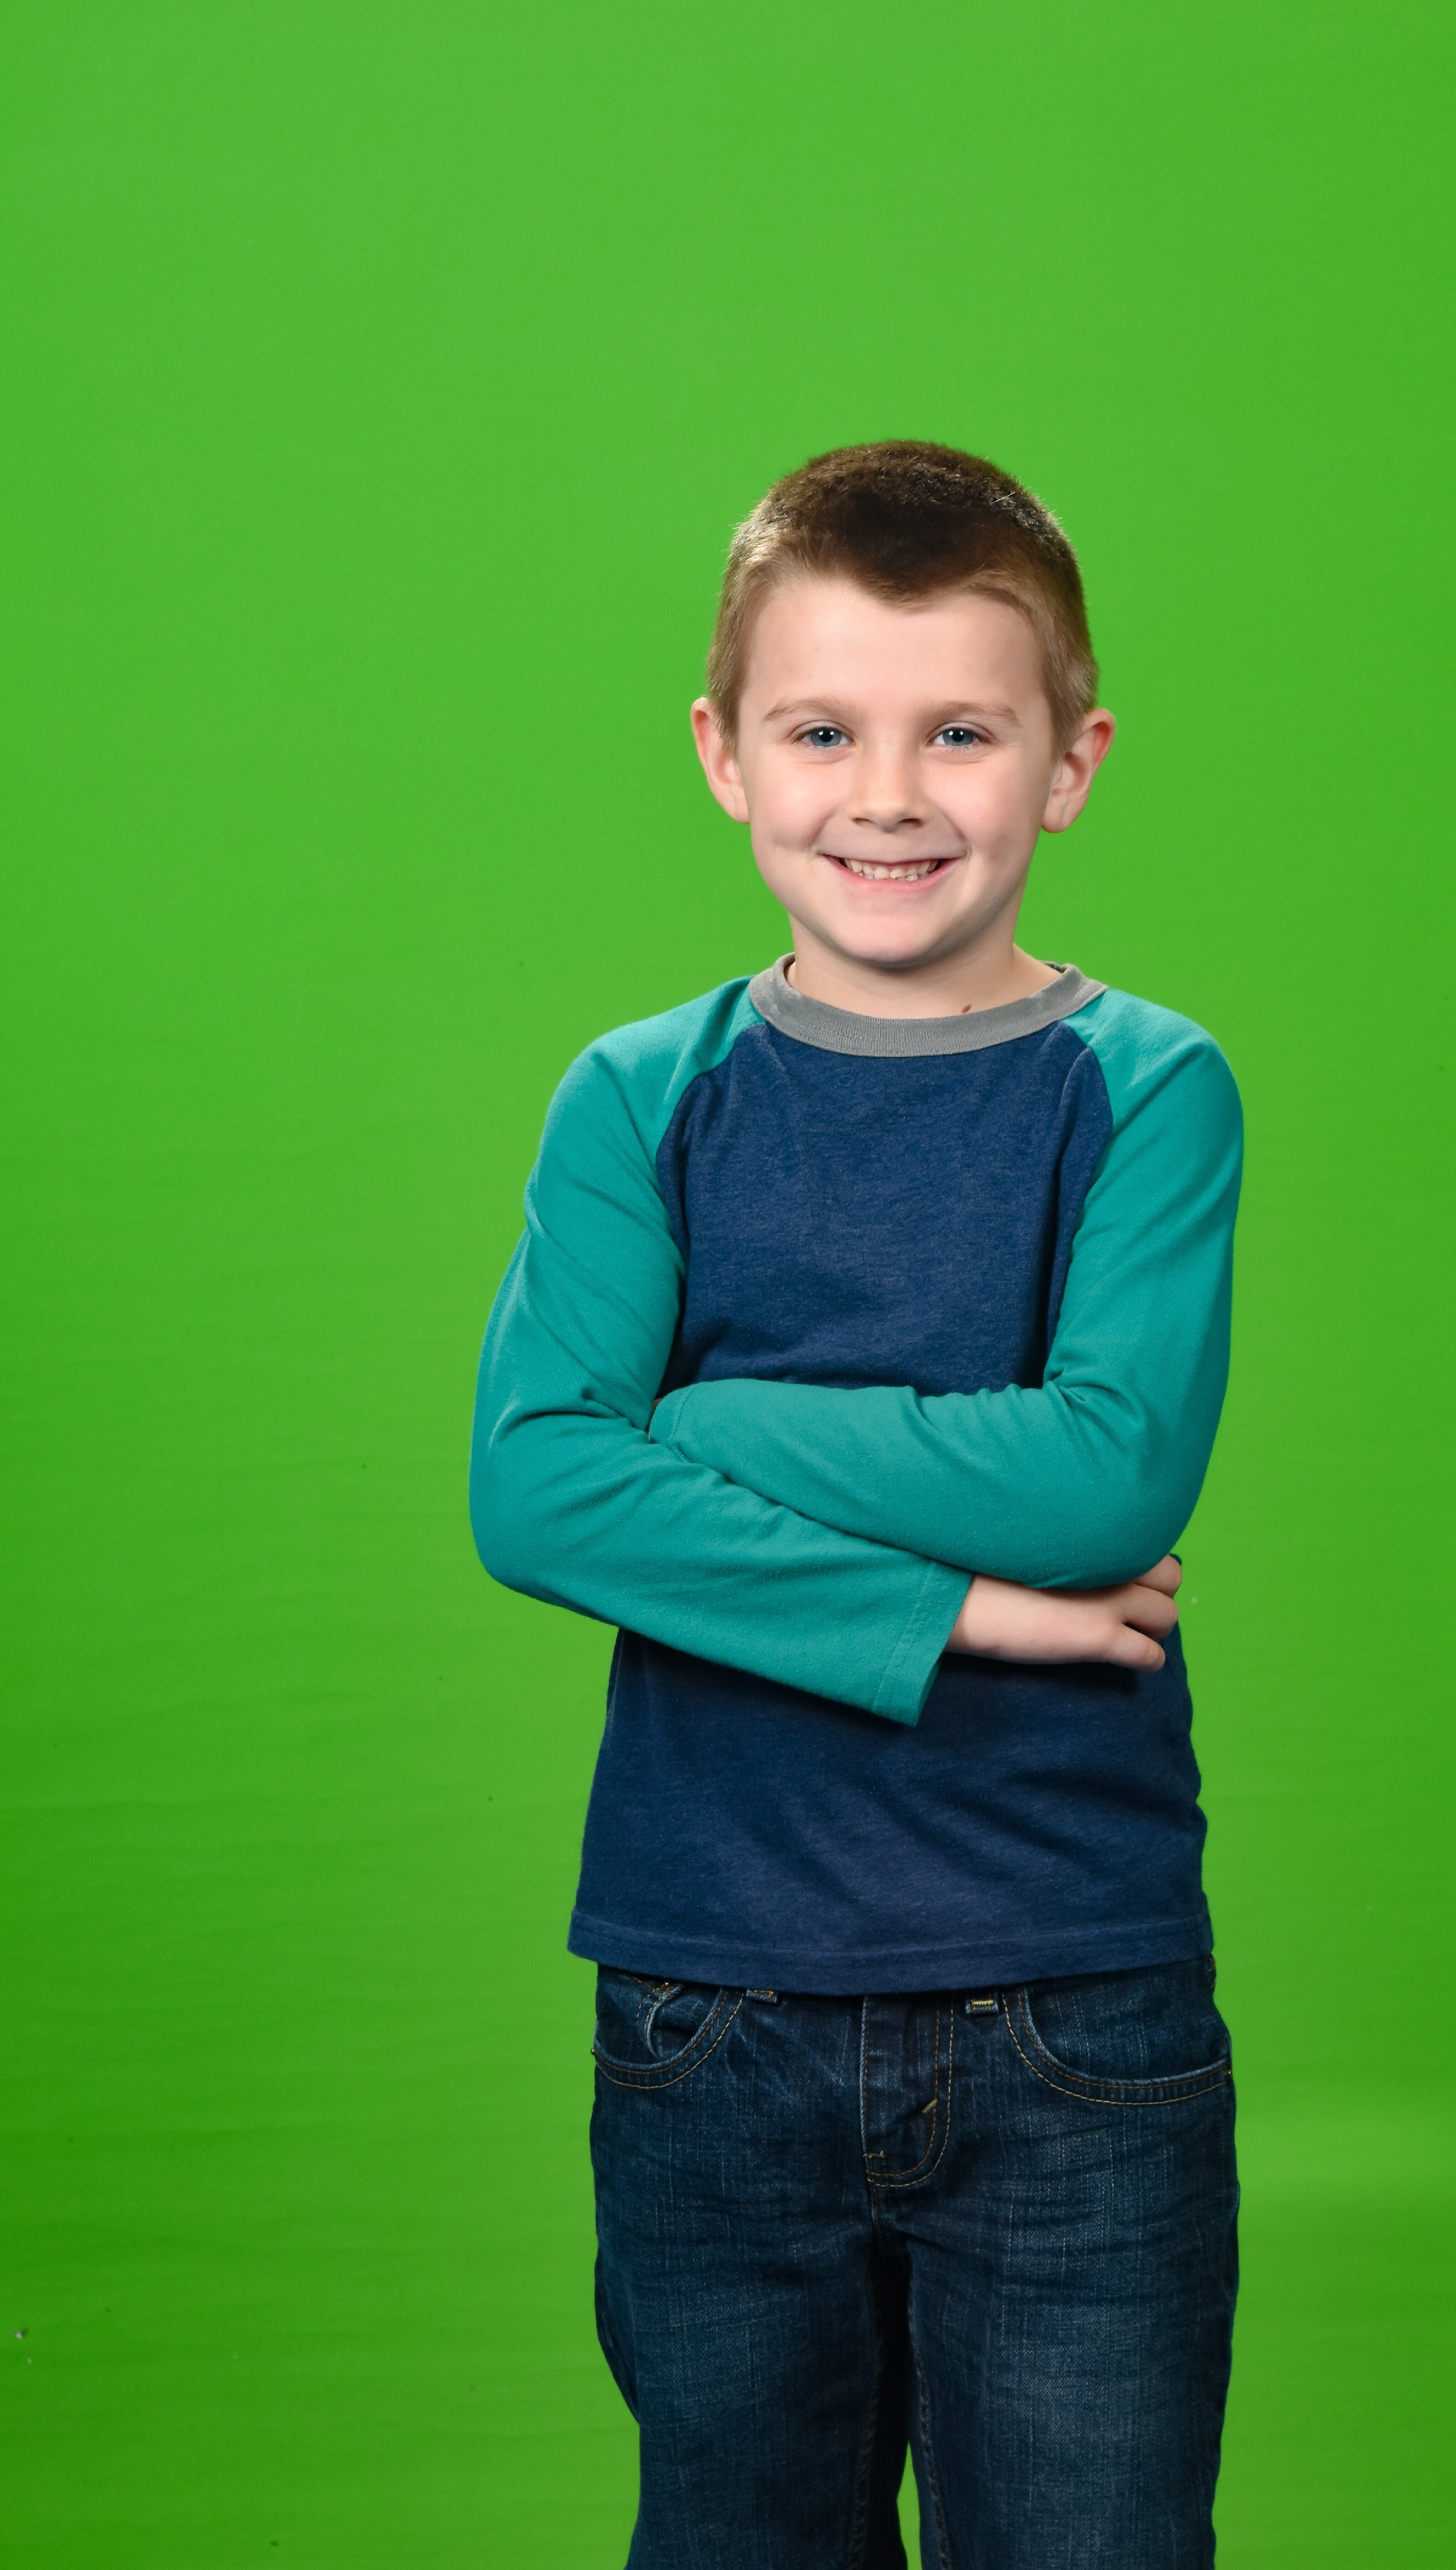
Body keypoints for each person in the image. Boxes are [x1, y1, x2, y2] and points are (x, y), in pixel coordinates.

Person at [470, 441, 1243, 2569]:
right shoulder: (642, 1098)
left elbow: (1104, 1473)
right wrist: (973, 1614)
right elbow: (538, 1492)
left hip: (1072, 2005)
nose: (887, 796)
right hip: (710, 2007)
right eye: (822, 731)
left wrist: (708, 1415)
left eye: (959, 733)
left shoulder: (1146, 1087)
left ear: (1070, 762)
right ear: (725, 753)